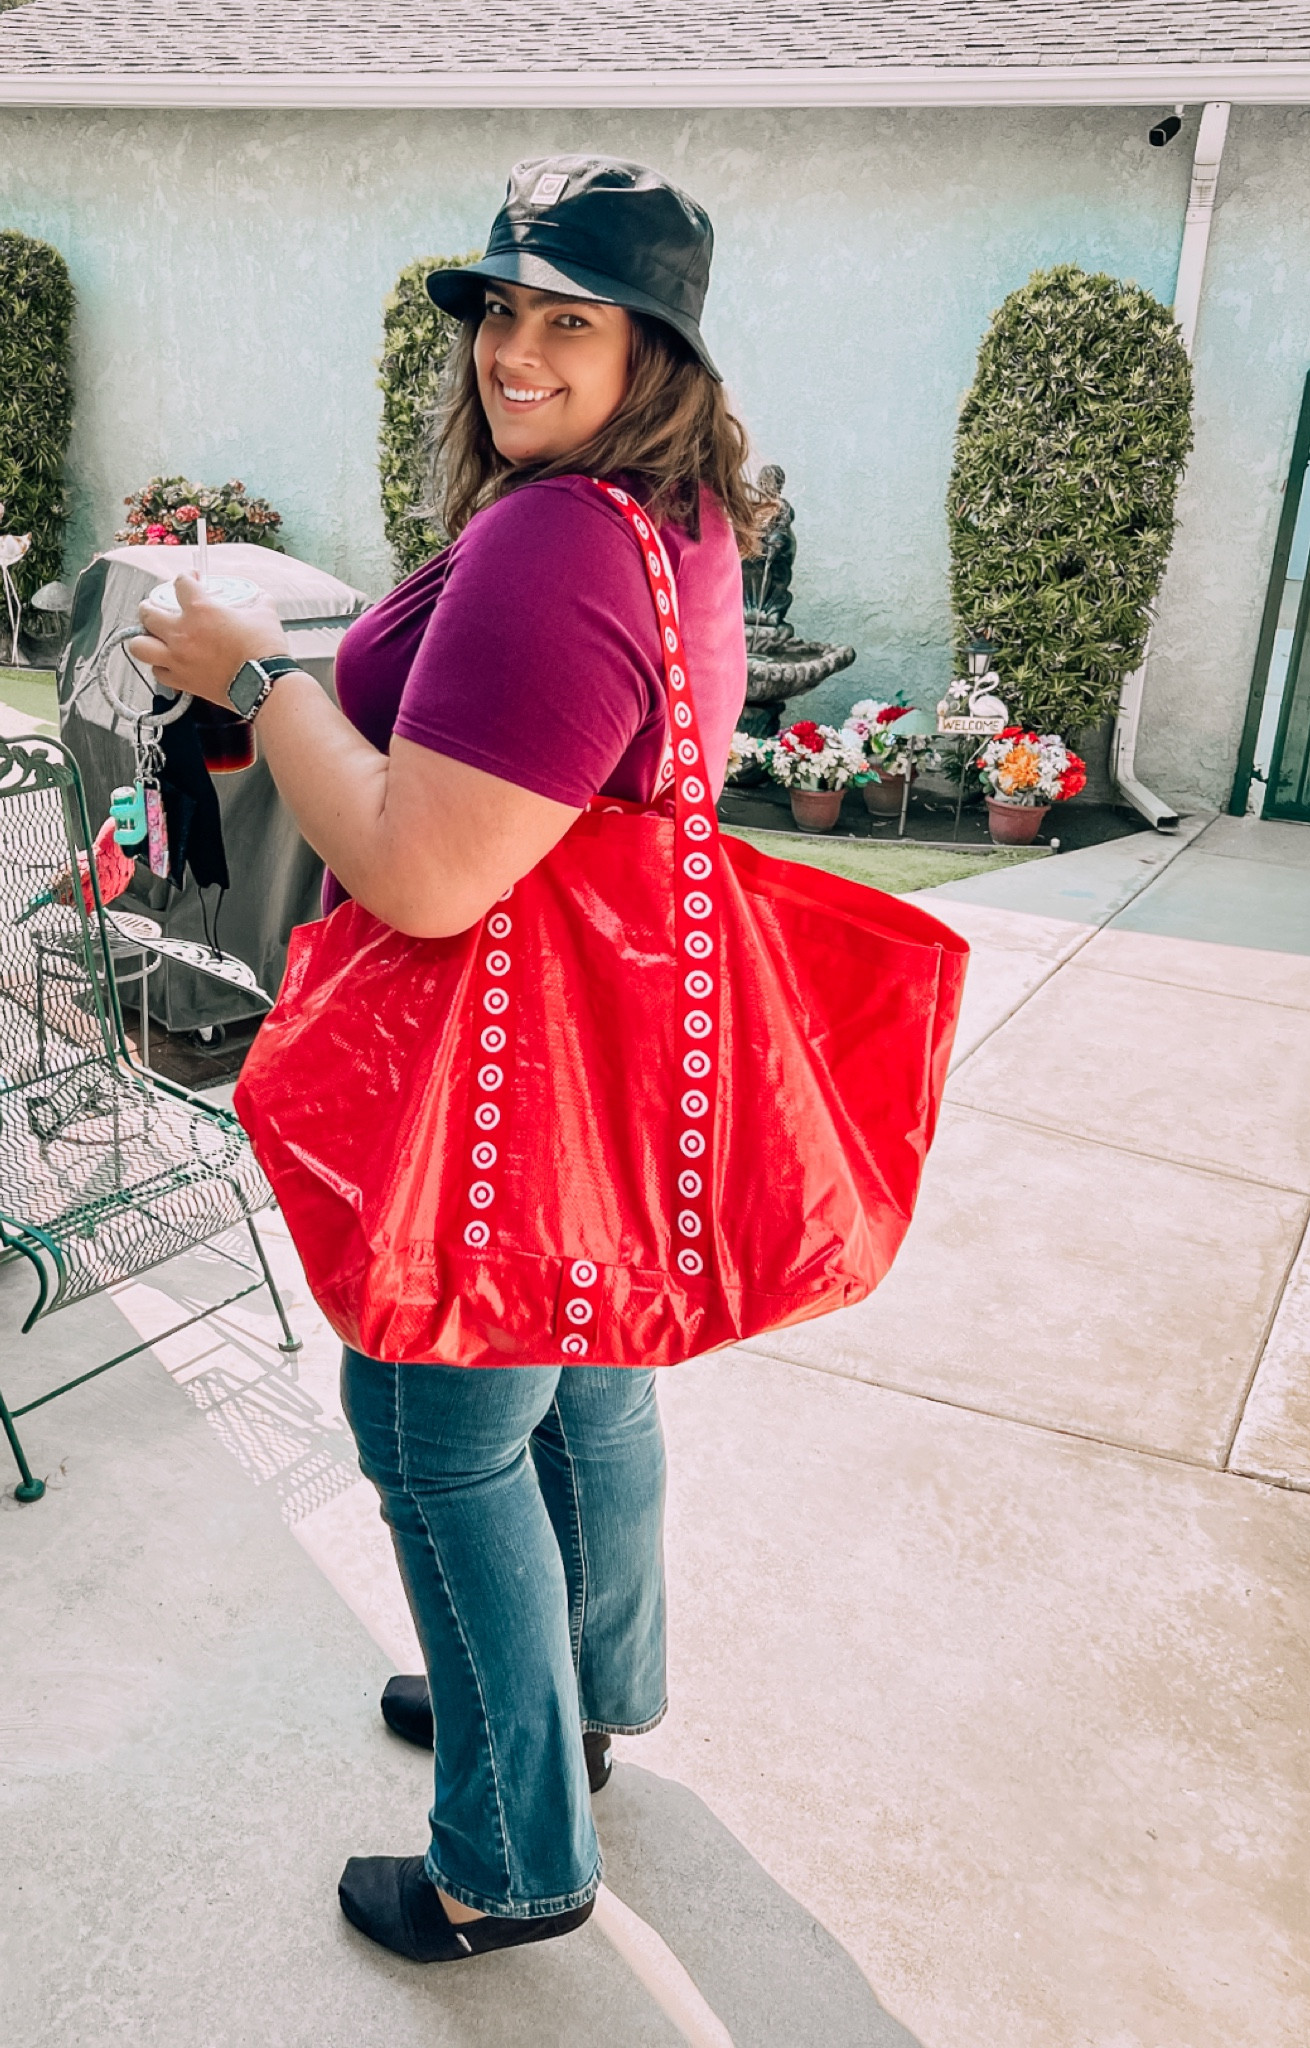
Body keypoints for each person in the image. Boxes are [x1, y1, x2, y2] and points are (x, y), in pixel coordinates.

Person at [130, 154, 765, 1965]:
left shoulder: (561, 537)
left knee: (433, 1432)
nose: (517, 349)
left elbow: (420, 866)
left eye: (573, 317)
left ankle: (509, 1854)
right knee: (585, 1388)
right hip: (600, 1063)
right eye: (503, 307)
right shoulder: (671, 516)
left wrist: (261, 684)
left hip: (497, 1083)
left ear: (659, 351)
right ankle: (578, 1704)